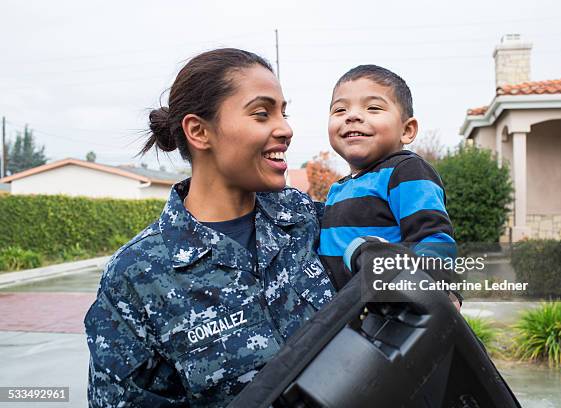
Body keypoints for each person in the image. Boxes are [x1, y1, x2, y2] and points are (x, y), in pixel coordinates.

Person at [84, 48, 335, 407]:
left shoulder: (307, 220)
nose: (285, 128)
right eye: (262, 114)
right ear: (199, 131)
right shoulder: (138, 276)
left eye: (284, 112)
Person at [318, 65, 461, 307]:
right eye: (340, 109)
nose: (352, 116)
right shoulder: (338, 189)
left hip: (392, 312)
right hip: (346, 318)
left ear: (407, 130)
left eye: (373, 108)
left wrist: (435, 290)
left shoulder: (405, 170)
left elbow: (432, 236)